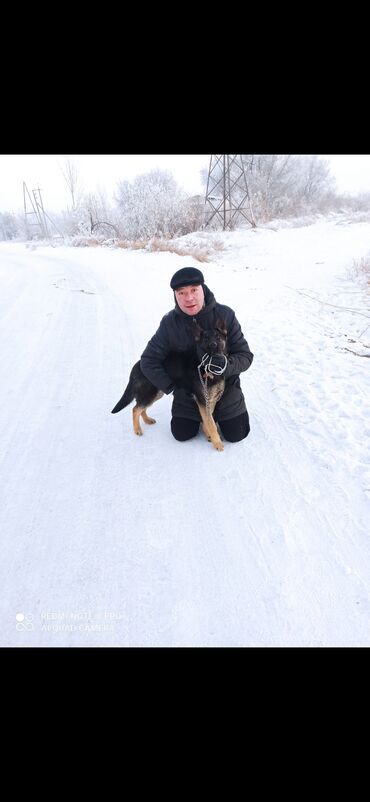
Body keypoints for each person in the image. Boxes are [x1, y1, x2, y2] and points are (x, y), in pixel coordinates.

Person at [140, 267, 253, 443]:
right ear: (175, 296)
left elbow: (245, 355)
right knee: (182, 434)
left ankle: (221, 414)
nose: (189, 298)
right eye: (182, 293)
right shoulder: (170, 323)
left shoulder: (225, 315)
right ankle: (201, 417)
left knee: (236, 434)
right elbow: (148, 361)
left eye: (194, 290)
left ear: (203, 289)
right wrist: (172, 387)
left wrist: (227, 366)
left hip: (225, 387)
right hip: (188, 390)